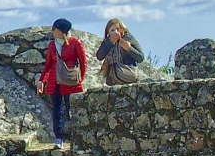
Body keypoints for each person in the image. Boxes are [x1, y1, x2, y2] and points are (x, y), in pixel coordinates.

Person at [37, 18, 87, 149]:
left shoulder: (75, 43)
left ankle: (75, 138)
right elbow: (48, 65)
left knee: (72, 110)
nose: (52, 30)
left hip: (71, 82)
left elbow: (83, 62)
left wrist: (80, 79)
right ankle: (59, 138)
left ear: (61, 31)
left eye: (54, 28)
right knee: (57, 111)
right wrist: (42, 80)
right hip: (55, 82)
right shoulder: (52, 45)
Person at [95, 18, 144, 85]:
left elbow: (140, 58)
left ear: (122, 28)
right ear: (108, 32)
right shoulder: (107, 41)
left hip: (128, 75)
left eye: (118, 29)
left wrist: (129, 49)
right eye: (113, 30)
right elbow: (99, 56)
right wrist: (111, 42)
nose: (116, 32)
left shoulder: (128, 38)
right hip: (112, 79)